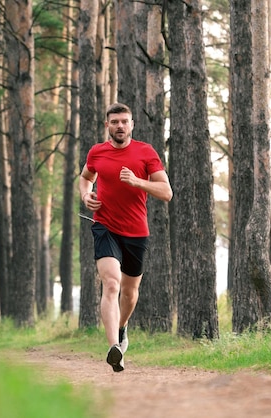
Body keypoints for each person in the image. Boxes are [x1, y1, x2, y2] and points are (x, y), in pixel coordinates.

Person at [79, 103, 173, 372]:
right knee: (111, 283)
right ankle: (114, 349)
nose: (120, 126)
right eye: (114, 122)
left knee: (130, 294)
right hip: (104, 226)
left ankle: (121, 329)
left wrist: (137, 182)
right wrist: (86, 196)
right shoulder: (97, 152)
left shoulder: (146, 152)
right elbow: (85, 177)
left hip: (136, 231)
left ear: (132, 124)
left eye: (124, 121)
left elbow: (166, 193)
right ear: (107, 125)